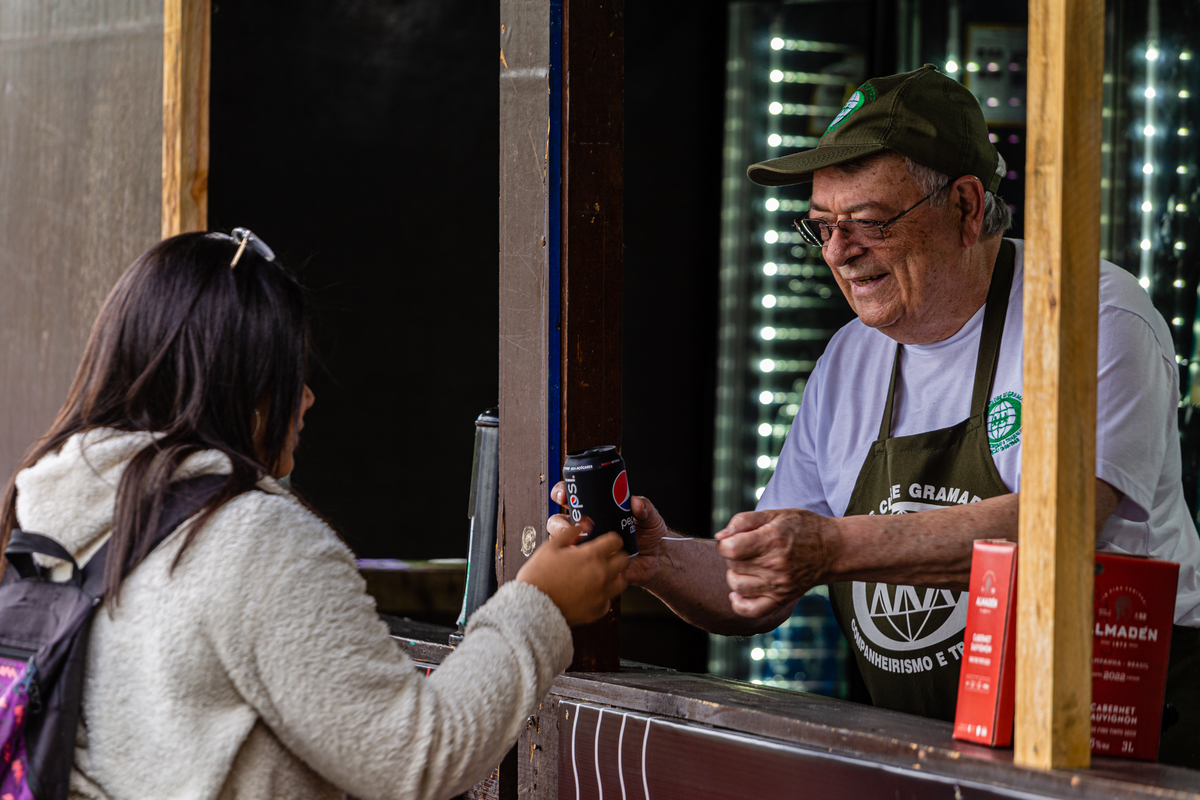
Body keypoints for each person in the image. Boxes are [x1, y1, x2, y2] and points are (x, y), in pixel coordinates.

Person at [549, 65, 1200, 765]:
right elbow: (758, 592)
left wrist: (829, 549)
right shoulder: (849, 362)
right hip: (929, 750)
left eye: (867, 223)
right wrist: (663, 560)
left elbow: (1057, 528)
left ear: (966, 207)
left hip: (1115, 743)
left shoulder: (1088, 318)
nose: (837, 252)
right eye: (822, 225)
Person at [0, 230, 629, 799]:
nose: (306, 397)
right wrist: (537, 605)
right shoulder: (251, 541)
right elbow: (417, 756)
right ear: (239, 387)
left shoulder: (53, 512)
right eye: (287, 372)